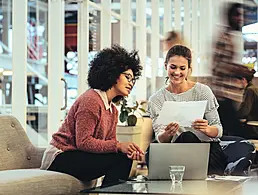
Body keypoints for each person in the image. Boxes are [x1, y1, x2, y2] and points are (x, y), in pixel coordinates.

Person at [40, 45, 144, 187]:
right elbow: (84, 142)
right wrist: (119, 146)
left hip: (79, 155)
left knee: (123, 157)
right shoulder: (91, 100)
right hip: (61, 156)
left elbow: (109, 145)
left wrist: (126, 150)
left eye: (133, 79)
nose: (130, 83)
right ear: (112, 73)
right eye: (127, 77)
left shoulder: (112, 110)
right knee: (119, 157)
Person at [147, 45, 227, 175]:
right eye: (173, 67)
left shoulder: (202, 91)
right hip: (177, 151)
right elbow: (160, 138)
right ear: (166, 65)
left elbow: (218, 130)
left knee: (188, 136)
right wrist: (168, 133)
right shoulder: (156, 99)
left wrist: (207, 129)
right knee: (152, 150)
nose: (177, 72)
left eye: (182, 68)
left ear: (189, 70)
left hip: (207, 152)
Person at [211, 2, 249, 136]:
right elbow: (217, 67)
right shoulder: (223, 38)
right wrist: (240, 70)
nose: (240, 19)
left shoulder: (231, 37)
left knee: (232, 135)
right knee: (235, 135)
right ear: (229, 16)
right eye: (237, 15)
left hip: (230, 96)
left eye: (242, 16)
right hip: (223, 96)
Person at [237, 69, 258, 139]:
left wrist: (235, 116)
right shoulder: (254, 88)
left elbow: (245, 109)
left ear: (243, 80)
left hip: (253, 126)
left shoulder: (250, 90)